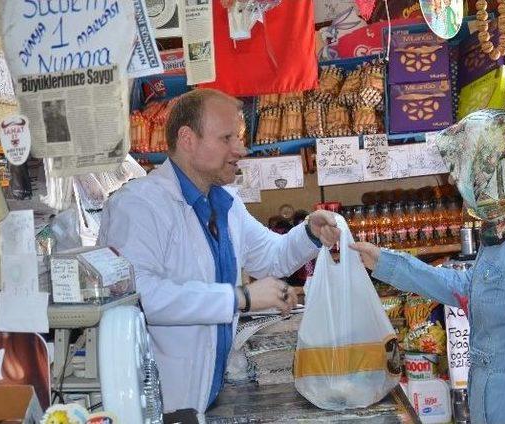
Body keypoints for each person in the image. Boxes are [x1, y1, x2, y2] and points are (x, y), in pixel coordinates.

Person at [98, 88, 340, 423]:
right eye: (227, 138)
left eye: (238, 137)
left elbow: (271, 256)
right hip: (158, 404)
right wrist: (238, 297)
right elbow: (140, 296)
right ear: (187, 139)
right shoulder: (139, 205)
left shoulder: (224, 202)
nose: (240, 149)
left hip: (204, 398)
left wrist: (309, 232)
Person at [351, 110, 505, 424]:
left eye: (464, 163)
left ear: (498, 165)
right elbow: (473, 287)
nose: (455, 178)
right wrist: (385, 263)